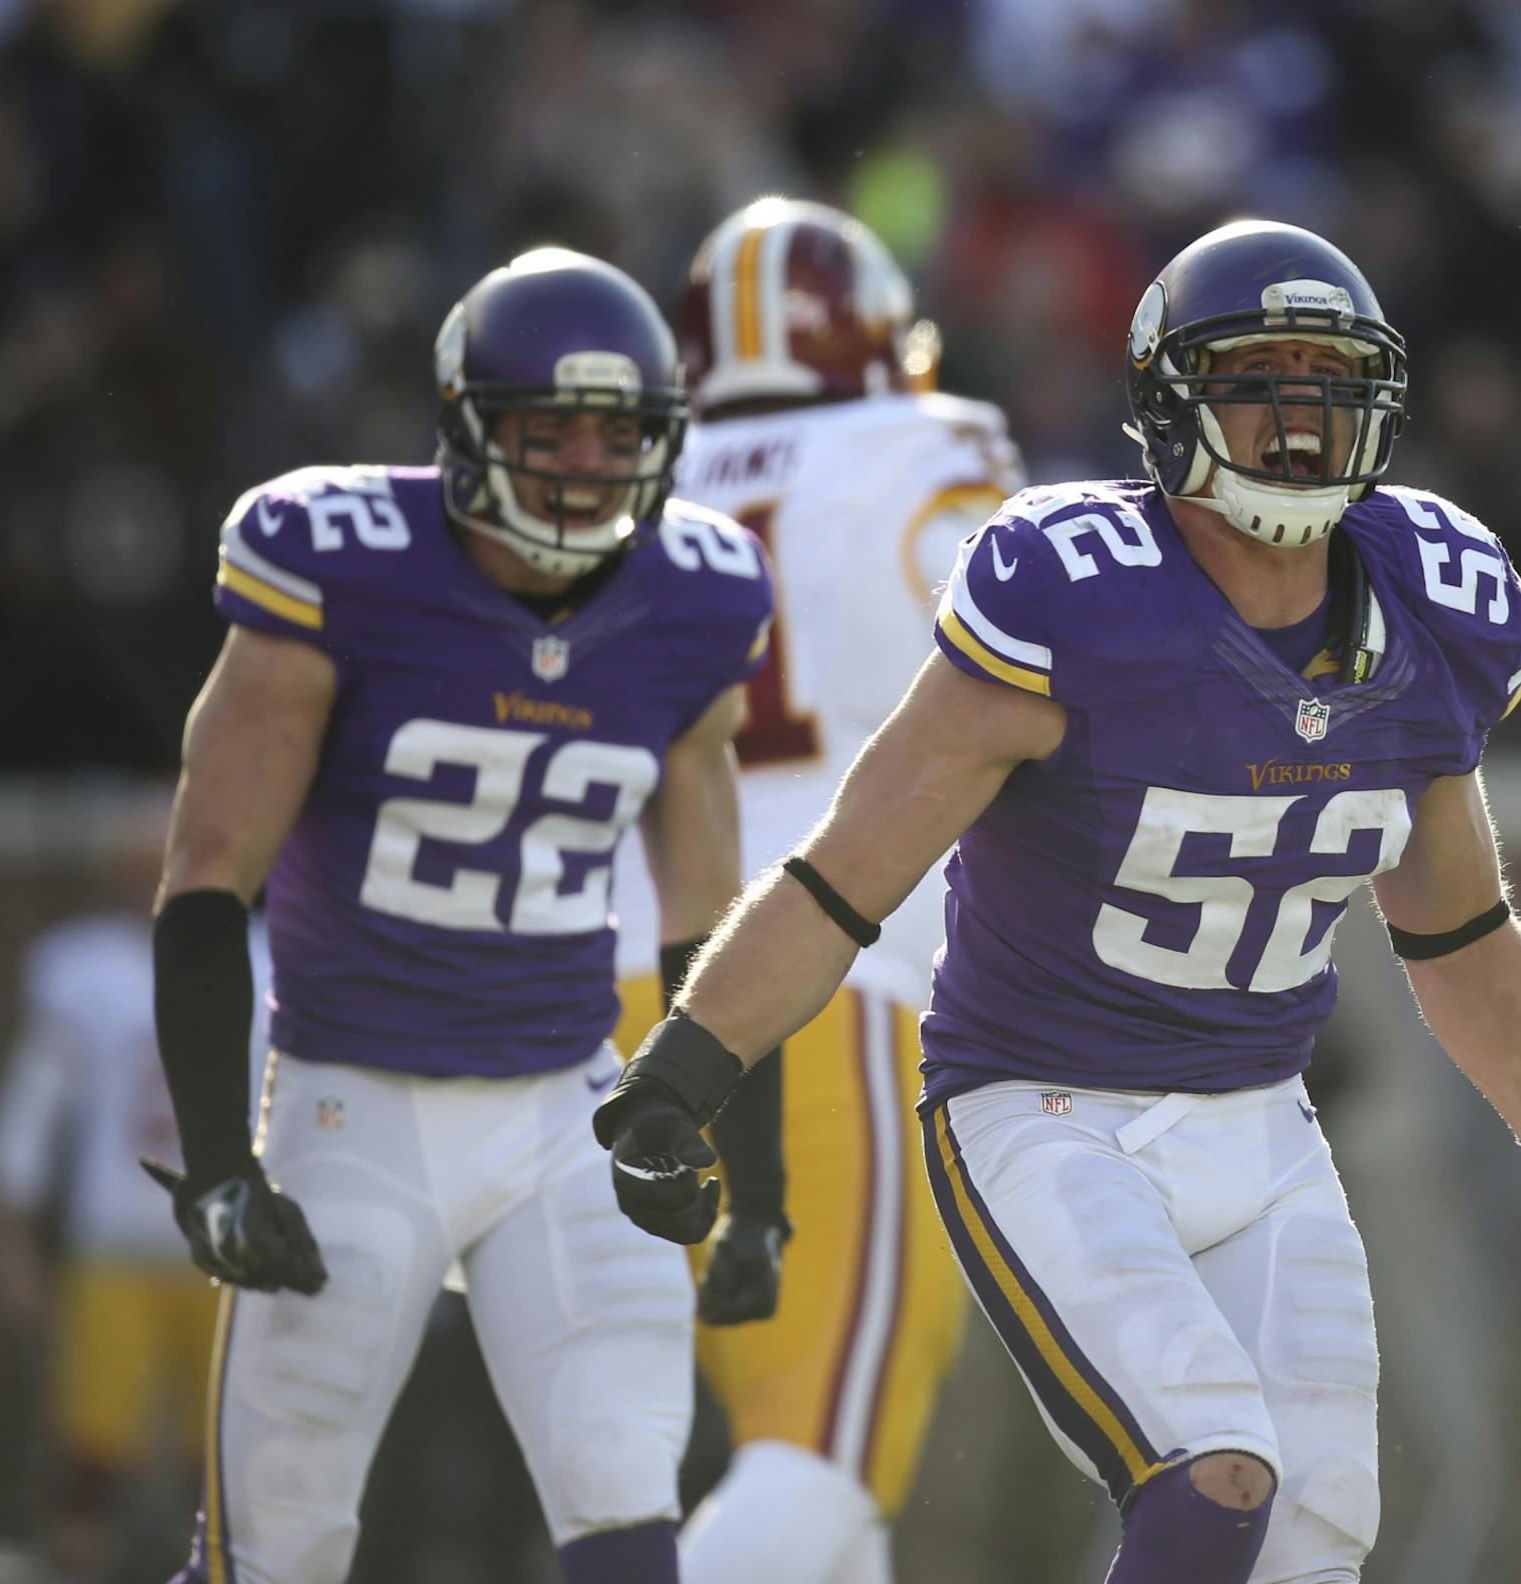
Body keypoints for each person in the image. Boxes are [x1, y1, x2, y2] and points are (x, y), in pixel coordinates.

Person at [593, 218, 1521, 1584]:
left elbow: (1459, 932)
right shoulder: (1075, 598)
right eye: (1259, 376)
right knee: (1210, 1473)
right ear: (1170, 404)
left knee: (1317, 1529)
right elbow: (844, 879)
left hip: (1264, 1126)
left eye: (1328, 376)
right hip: (1044, 1112)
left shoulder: (1436, 604)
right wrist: (682, 1074)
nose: (1301, 415)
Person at [146, 246, 781, 1584]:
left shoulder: (697, 592)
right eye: (554, 431)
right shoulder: (340, 560)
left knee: (628, 1508)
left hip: (566, 1108)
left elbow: (709, 922)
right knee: (277, 1543)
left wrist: (756, 1190)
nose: (590, 466)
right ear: (471, 429)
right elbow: (209, 870)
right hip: (350, 1105)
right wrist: (215, 1165)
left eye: (623, 435)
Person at [607, 197, 1024, 1583]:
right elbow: (1038, 691)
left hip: (603, 994)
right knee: (824, 1462)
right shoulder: (935, 443)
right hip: (820, 987)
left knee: (820, 1509)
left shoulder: (625, 482)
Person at [0, 814, 268, 1583]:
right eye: (147, 862)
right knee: (89, 1458)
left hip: (226, 1255)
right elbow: (32, 1111)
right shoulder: (81, 970)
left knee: (217, 1470)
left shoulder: (267, 961)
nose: (161, 879)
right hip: (113, 1249)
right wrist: (11, 1238)